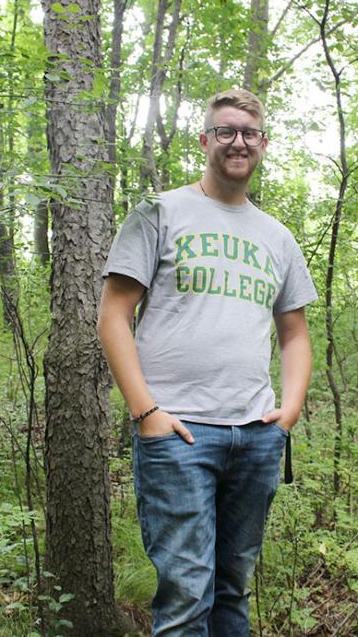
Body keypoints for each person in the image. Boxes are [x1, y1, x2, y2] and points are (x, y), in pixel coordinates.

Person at [97, 88, 317, 635]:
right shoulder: (160, 212)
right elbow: (112, 317)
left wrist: (286, 414)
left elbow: (294, 335)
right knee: (185, 597)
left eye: (248, 133)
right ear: (206, 140)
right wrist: (147, 413)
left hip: (257, 434)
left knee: (231, 590)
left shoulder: (278, 238)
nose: (237, 142)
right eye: (225, 131)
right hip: (179, 434)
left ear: (262, 144)